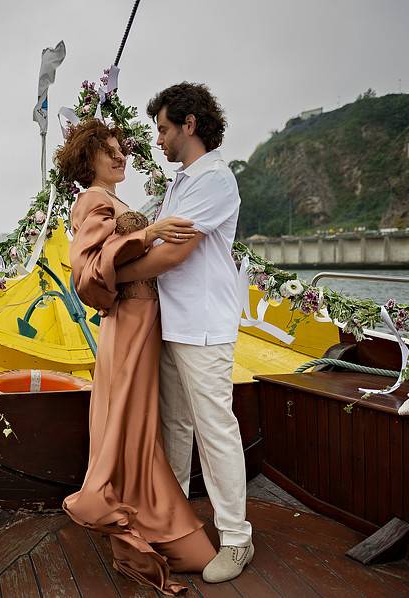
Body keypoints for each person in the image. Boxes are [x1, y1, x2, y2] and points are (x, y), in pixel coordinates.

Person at [58, 118, 216, 596]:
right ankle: (124, 512)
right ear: (88, 160)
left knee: (137, 423)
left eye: (122, 147)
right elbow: (86, 270)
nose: (120, 155)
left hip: (145, 321)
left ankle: (143, 520)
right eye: (109, 150)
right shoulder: (93, 199)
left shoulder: (117, 200)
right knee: (131, 422)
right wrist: (150, 236)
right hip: (128, 321)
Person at [116, 82, 253, 583]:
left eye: (163, 128)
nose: (158, 139)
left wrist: (109, 276)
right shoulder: (181, 182)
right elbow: (154, 240)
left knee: (216, 430)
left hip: (205, 327)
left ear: (189, 125)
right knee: (175, 428)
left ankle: (237, 539)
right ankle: (173, 522)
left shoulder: (214, 180)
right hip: (174, 325)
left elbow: (172, 252)